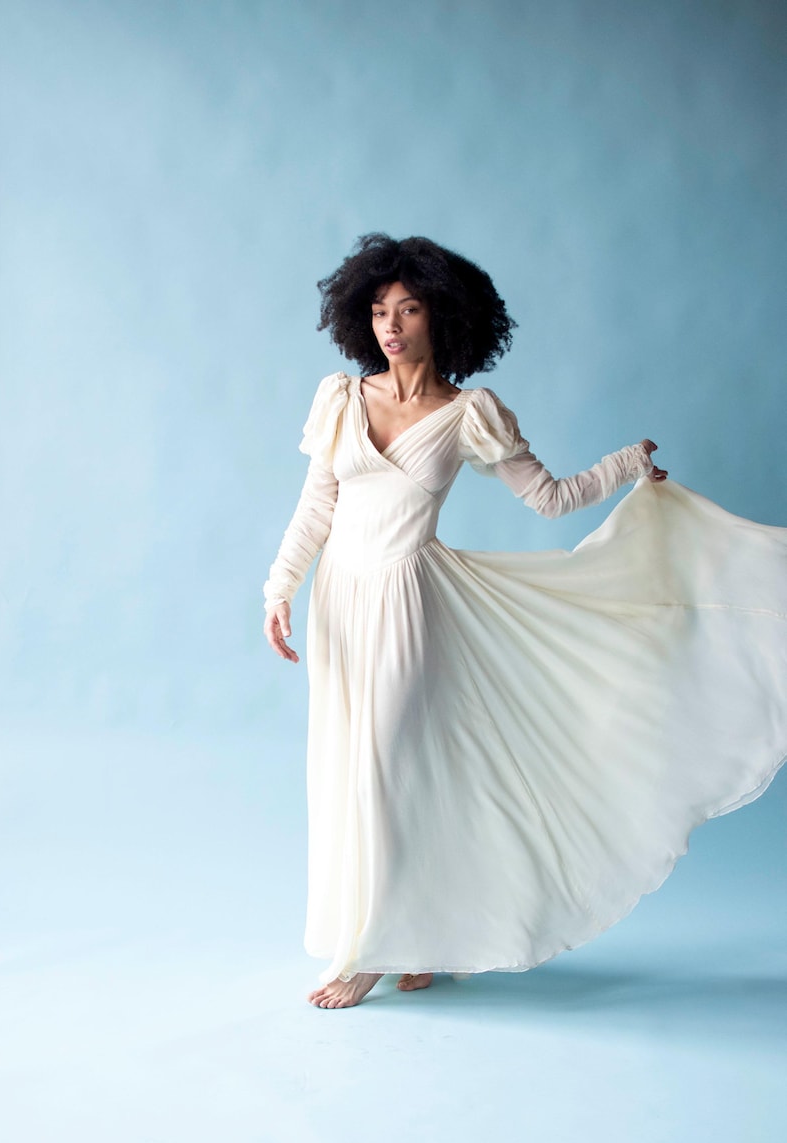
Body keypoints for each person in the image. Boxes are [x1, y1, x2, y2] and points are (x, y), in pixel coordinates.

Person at [264, 233, 787, 1010]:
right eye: (379, 310)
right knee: (352, 768)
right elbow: (317, 507)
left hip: (409, 602)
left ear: (442, 316)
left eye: (408, 309)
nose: (392, 325)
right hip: (339, 599)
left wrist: (627, 464)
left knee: (387, 764)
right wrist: (279, 588)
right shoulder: (341, 398)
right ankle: (419, 936)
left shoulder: (469, 413)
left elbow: (548, 497)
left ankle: (370, 950)